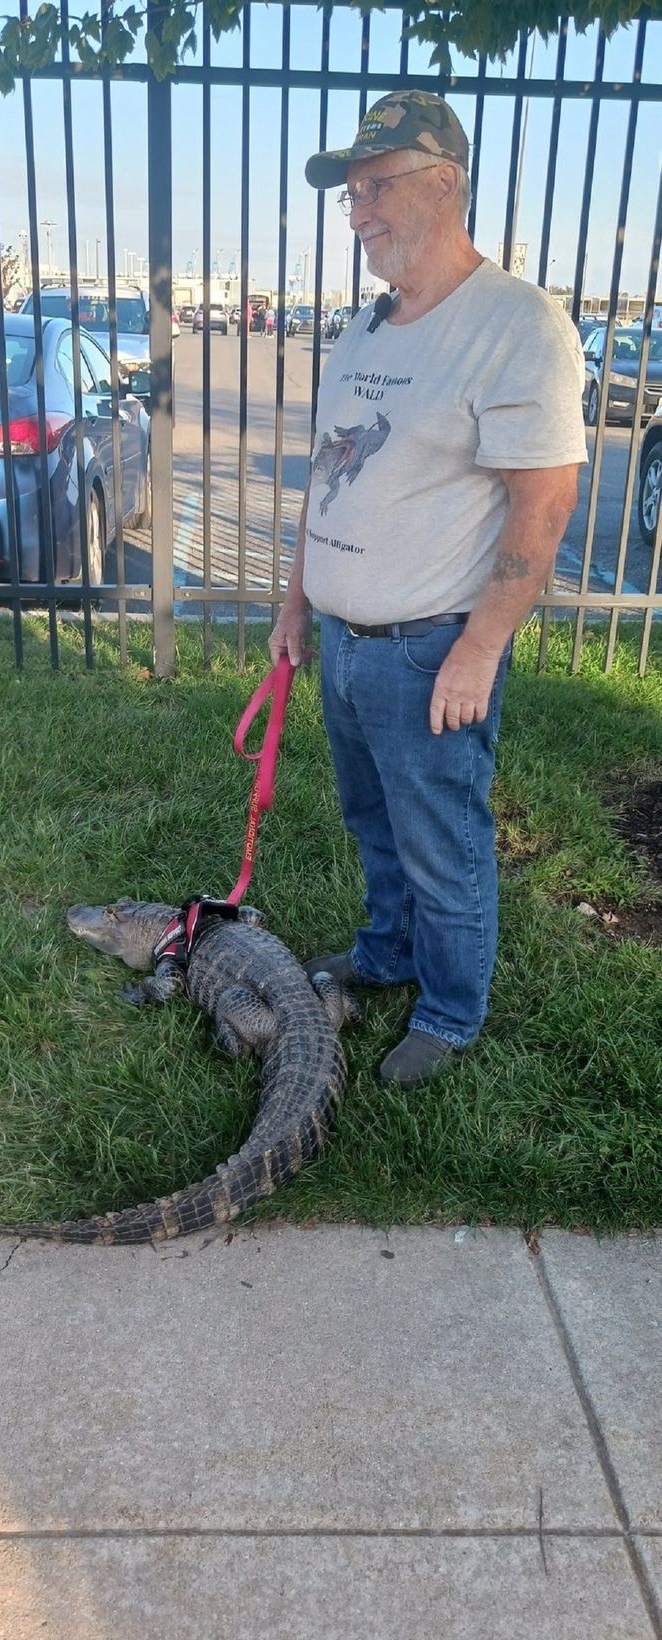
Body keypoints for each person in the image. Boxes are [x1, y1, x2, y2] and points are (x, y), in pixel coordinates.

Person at [269, 88, 587, 1089]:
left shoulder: (515, 324)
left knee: (444, 841)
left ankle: (449, 1014)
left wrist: (480, 646)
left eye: (375, 188)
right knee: (372, 823)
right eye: (349, 195)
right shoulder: (370, 326)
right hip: (343, 637)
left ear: (444, 182)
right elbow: (329, 472)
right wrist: (295, 597)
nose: (356, 212)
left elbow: (543, 504)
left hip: (426, 649)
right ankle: (387, 951)